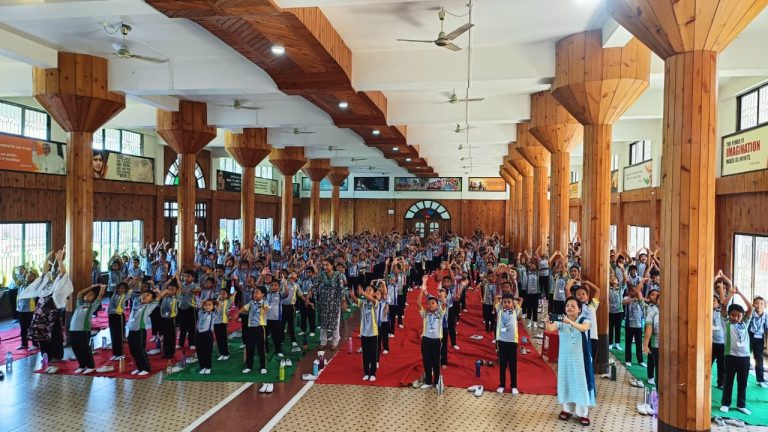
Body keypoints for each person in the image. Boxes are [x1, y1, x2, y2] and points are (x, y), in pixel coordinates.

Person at [545, 297, 595, 426]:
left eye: (573, 306)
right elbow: (550, 329)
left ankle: (583, 413)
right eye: (567, 305)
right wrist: (547, 322)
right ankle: (567, 409)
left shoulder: (585, 320)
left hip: (580, 359)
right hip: (566, 358)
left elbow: (584, 328)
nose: (569, 308)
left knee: (580, 384)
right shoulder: (561, 321)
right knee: (566, 381)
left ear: (579, 310)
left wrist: (569, 322)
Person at [719, 287, 753, 415]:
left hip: (745, 357)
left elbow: (750, 308)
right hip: (730, 356)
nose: (736, 318)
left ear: (742, 316)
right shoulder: (726, 322)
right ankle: (726, 403)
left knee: (743, 381)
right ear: (729, 315)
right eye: (733, 315)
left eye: (739, 315)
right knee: (728, 380)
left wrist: (740, 293)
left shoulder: (745, 322)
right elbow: (723, 306)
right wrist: (732, 293)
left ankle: (741, 404)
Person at [417, 275, 447, 390]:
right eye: (429, 304)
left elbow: (443, 304)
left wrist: (442, 294)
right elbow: (418, 304)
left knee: (436, 361)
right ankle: (429, 381)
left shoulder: (439, 314)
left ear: (437, 305)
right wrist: (422, 289)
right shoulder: (425, 314)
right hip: (426, 340)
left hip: (436, 340)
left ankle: (437, 381)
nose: (430, 305)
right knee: (426, 360)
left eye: (433, 303)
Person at [69, 284, 106, 374]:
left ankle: (90, 366)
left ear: (94, 299)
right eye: (88, 294)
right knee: (76, 348)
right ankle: (82, 365)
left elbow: (100, 297)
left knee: (85, 348)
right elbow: (79, 293)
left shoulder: (92, 305)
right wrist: (91, 287)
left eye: (91, 295)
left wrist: (102, 288)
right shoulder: (80, 304)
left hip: (83, 331)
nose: (88, 295)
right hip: (73, 329)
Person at [127, 289, 162, 376]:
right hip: (131, 330)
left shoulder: (150, 306)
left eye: (148, 295)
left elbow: (160, 296)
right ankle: (139, 367)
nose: (145, 296)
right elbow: (131, 293)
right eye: (144, 294)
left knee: (140, 350)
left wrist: (157, 290)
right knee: (133, 350)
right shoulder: (136, 302)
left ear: (151, 299)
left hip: (140, 331)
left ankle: (146, 368)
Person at [313, 258, 347, 349]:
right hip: (324, 302)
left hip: (335, 302)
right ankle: (323, 341)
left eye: (327, 265)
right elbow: (315, 285)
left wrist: (343, 301)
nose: (325, 267)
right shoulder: (322, 274)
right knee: (323, 322)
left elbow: (341, 288)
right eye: (324, 265)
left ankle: (335, 342)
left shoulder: (338, 275)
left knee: (335, 322)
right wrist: (310, 294)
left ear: (332, 265)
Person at [350, 284, 379, 381]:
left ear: (374, 293)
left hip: (373, 333)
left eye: (370, 290)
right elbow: (356, 300)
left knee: (373, 353)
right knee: (365, 354)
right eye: (366, 290)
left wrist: (363, 293)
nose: (367, 291)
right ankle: (366, 372)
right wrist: (352, 295)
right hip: (364, 332)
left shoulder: (375, 303)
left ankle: (373, 373)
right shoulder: (363, 303)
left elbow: (372, 299)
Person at [495, 293, 522, 395]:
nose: (507, 304)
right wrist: (501, 298)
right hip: (502, 341)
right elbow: (496, 298)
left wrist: (515, 300)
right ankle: (501, 385)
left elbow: (521, 299)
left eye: (509, 302)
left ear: (512, 303)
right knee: (502, 365)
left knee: (512, 365)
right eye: (505, 302)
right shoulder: (500, 311)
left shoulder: (515, 311)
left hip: (512, 342)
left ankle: (514, 386)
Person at [240, 288, 269, 375]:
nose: (255, 294)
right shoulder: (251, 303)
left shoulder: (264, 302)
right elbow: (244, 308)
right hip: (251, 328)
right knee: (250, 347)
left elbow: (267, 308)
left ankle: (263, 367)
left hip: (260, 327)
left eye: (257, 293)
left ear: (263, 294)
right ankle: (249, 366)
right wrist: (238, 312)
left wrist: (265, 311)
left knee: (261, 348)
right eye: (254, 293)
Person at [15, 270, 38, 351]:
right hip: (20, 309)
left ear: (35, 277)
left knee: (31, 327)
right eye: (27, 275)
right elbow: (17, 281)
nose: (28, 276)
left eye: (31, 275)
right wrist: (23, 275)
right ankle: (24, 344)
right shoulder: (22, 284)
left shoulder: (34, 285)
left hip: (29, 310)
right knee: (23, 328)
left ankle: (35, 344)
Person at [642, 288, 660, 386]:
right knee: (653, 361)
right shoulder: (650, 311)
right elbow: (649, 330)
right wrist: (645, 345)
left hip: (667, 344)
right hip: (655, 342)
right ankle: (651, 377)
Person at [107, 282, 129, 360]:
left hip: (119, 316)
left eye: (123, 289)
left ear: (126, 290)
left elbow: (130, 287)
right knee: (113, 334)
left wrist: (131, 281)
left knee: (119, 335)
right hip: (111, 315)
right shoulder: (114, 295)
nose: (121, 290)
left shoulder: (125, 296)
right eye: (119, 288)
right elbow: (119, 285)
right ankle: (115, 353)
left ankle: (120, 354)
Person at [748, 296, 767, 388]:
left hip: (760, 338)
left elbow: (767, 329)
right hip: (749, 337)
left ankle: (760, 379)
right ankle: (744, 378)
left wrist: (766, 343)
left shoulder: (766, 316)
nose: (759, 305)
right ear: (753, 305)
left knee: (759, 359)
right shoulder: (750, 314)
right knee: (746, 357)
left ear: (765, 306)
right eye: (756, 303)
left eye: (761, 304)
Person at [195, 299, 217, 375]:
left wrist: (217, 302)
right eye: (206, 305)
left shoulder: (213, 314)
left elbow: (219, 308)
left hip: (208, 334)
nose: (207, 306)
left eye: (209, 305)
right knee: (199, 351)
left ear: (213, 306)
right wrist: (203, 301)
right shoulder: (200, 312)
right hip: (199, 334)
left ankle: (208, 367)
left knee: (207, 351)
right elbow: (200, 306)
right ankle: (202, 366)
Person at [214, 288, 232, 361]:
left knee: (223, 338)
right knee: (218, 339)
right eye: (220, 293)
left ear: (227, 295)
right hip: (216, 322)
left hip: (223, 322)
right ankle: (221, 353)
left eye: (224, 294)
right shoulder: (216, 301)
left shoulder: (228, 301)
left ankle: (226, 353)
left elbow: (228, 306)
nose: (222, 295)